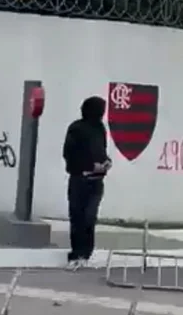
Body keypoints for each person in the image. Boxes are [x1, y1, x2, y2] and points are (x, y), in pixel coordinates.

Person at [62, 96, 112, 270]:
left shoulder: (100, 128)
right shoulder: (76, 128)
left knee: (90, 217)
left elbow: (102, 151)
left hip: (96, 181)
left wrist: (106, 162)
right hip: (79, 179)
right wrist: (90, 165)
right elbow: (69, 154)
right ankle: (76, 253)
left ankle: (86, 252)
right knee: (77, 217)